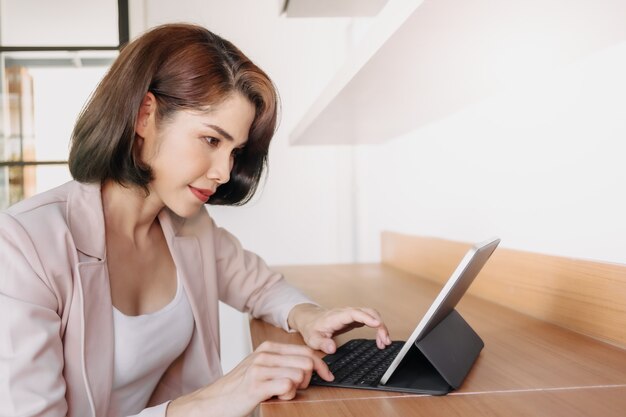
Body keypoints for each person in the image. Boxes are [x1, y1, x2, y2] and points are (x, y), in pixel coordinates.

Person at [0, 23, 391, 417]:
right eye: (211, 140)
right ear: (144, 116)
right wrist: (204, 403)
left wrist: (310, 317)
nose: (223, 171)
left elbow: (259, 287)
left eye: (235, 151)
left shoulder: (187, 225)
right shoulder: (24, 246)